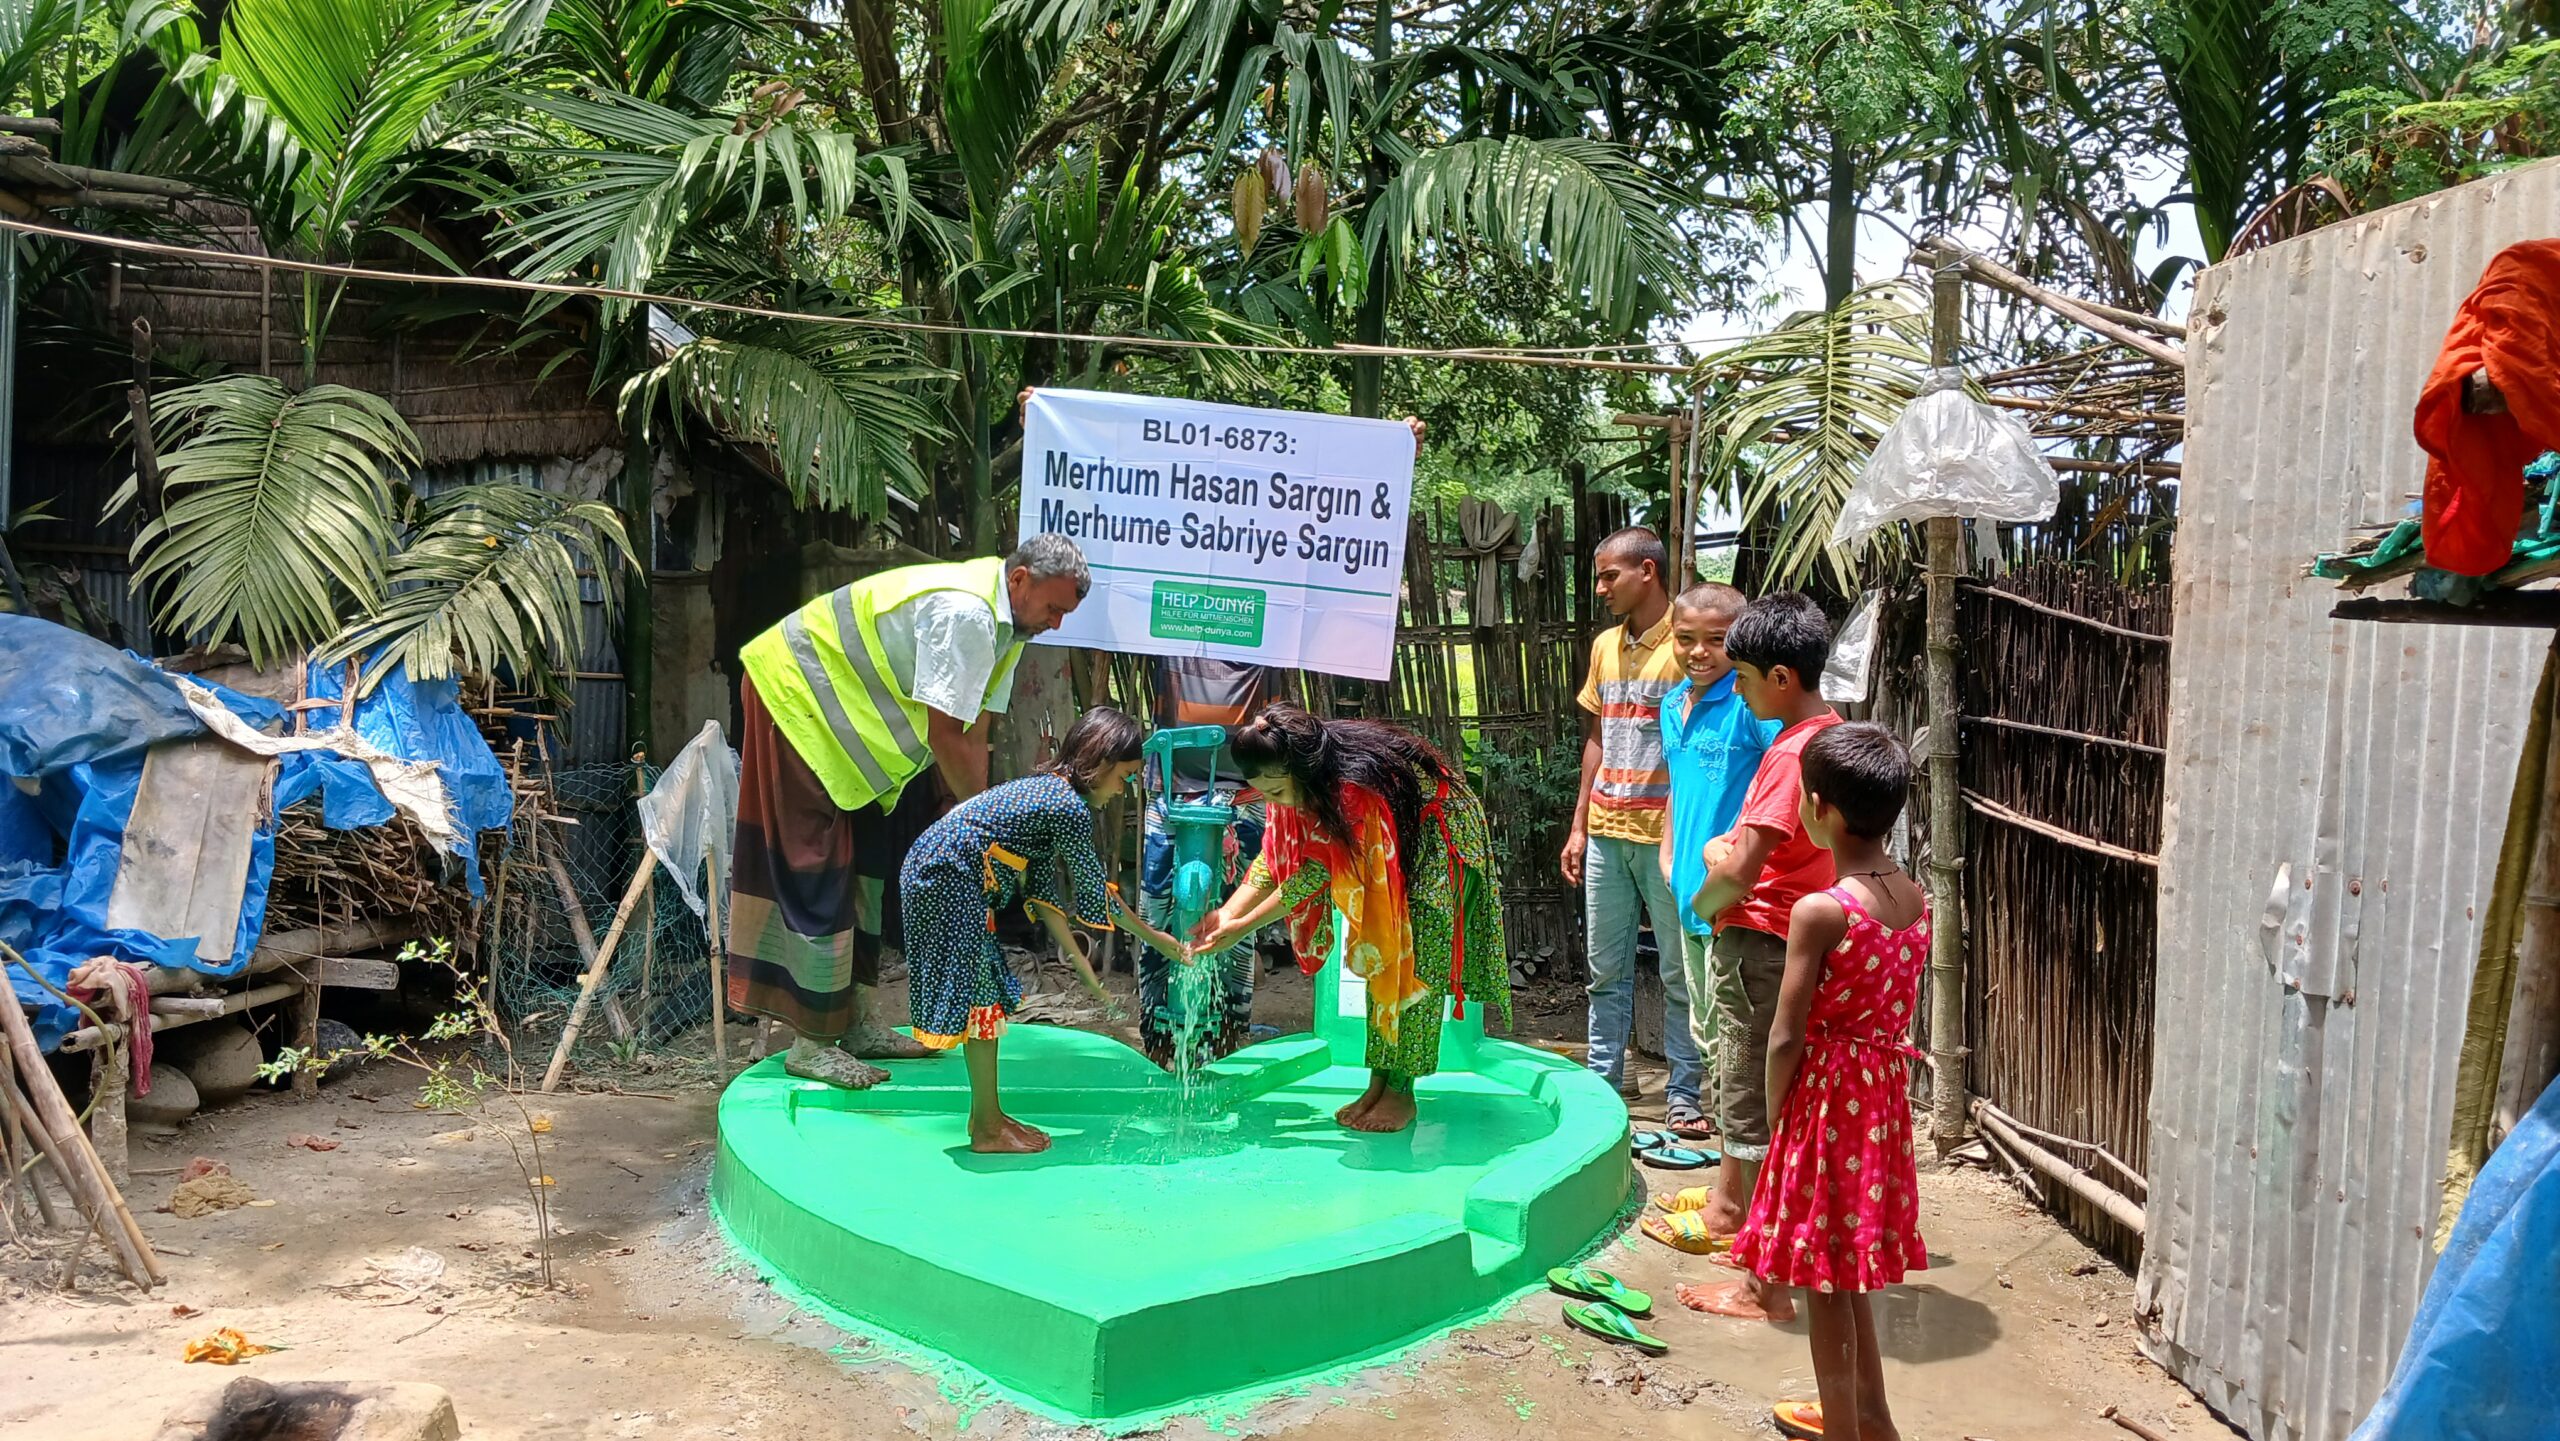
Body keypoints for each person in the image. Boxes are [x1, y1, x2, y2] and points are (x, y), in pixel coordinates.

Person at [726, 533, 1091, 1090]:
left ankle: (857, 1024)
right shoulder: (967, 612)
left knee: (868, 868)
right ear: (1019, 580)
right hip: (795, 698)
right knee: (815, 870)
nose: (1056, 624)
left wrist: (987, 826)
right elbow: (945, 735)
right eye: (1053, 608)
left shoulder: (1009, 631)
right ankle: (810, 1043)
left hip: (846, 739)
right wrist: (986, 830)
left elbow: (977, 732)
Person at [1727, 722, 1929, 1441]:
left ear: (1821, 809)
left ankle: (1843, 1428)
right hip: (1880, 1098)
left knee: (1823, 1281)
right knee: (1848, 1273)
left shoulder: (1821, 910)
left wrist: (1778, 1111)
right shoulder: (1914, 898)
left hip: (1826, 1101)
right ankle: (1874, 1419)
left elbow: (1785, 1034)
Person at [1652, 591, 1840, 1324]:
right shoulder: (1825, 735)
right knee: (1752, 1082)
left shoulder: (1789, 751)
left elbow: (1745, 864)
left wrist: (1706, 894)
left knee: (1748, 1089)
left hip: (1758, 935)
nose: (1739, 688)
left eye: (1747, 676)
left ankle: (1758, 1268)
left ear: (1780, 678)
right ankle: (1741, 1212)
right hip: (1780, 933)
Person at [1188, 706, 1511, 1133]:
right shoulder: (1292, 780)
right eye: (1264, 793)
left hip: (1437, 840)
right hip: (1392, 839)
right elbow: (1276, 857)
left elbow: (1317, 872)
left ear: (1301, 772)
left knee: (1412, 963)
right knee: (1382, 960)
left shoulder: (1351, 790)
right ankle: (1379, 1084)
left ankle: (1401, 1092)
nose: (1273, 801)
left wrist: (1243, 927)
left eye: (1276, 792)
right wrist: (1228, 912)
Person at [899, 707, 1184, 1154]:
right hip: (947, 878)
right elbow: (1094, 889)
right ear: (1102, 763)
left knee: (983, 995)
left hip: (934, 871)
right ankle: (987, 1128)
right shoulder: (1068, 807)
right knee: (981, 997)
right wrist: (1158, 939)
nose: (1122, 790)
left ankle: (986, 1115)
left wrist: (1085, 971)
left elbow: (1044, 895)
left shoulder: (1049, 795)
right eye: (1124, 777)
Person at [1565, 527, 1707, 1135]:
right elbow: (1597, 739)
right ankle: (1605, 1084)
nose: (1600, 589)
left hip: (1667, 839)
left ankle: (1684, 1094)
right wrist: (1578, 826)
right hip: (1605, 830)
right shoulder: (1604, 646)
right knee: (1605, 970)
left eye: (1609, 576)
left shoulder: (1689, 645)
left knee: (1679, 974)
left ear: (1647, 571)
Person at [1656, 583, 1781, 1071]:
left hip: (1736, 898)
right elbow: (1678, 786)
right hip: (1688, 890)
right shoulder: (1672, 704)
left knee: (1734, 1040)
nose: (1699, 652)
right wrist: (1668, 857)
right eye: (1686, 639)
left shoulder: (1750, 705)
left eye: (1716, 640)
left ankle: (1734, 1122)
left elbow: (1781, 782)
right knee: (1706, 1032)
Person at [1135, 655, 1274, 1067]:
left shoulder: (1272, 632)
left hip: (1248, 788)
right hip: (1171, 783)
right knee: (1155, 913)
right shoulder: (1168, 631)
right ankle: (1158, 1037)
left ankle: (1229, 1030)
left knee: (1239, 913)